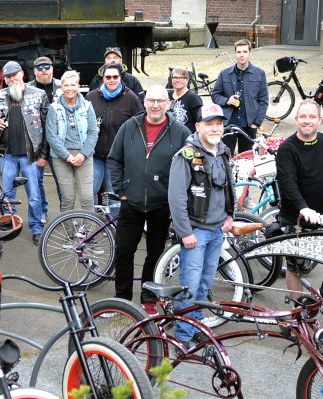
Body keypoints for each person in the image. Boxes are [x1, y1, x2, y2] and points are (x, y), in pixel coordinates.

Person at [107, 84, 190, 310]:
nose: (155, 105)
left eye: (160, 101)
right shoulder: (129, 126)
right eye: (151, 100)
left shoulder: (181, 132)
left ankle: (148, 298)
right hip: (130, 202)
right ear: (144, 102)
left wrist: (176, 199)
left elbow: (190, 167)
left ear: (168, 103)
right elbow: (114, 159)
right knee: (124, 252)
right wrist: (121, 191)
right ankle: (122, 301)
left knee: (154, 254)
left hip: (161, 205)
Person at [275, 99, 323, 314]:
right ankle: (298, 312)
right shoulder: (287, 149)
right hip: (297, 220)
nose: (307, 121)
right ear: (296, 119)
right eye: (303, 117)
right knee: (296, 268)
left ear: (320, 119)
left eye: (311, 117)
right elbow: (287, 183)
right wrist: (303, 207)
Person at [168, 103, 235, 344]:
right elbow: (175, 198)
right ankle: (183, 336)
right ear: (198, 126)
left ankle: (195, 323)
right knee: (190, 284)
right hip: (196, 232)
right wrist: (185, 232)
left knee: (205, 283)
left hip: (217, 230)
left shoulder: (224, 151)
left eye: (219, 124)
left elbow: (228, 186)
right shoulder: (185, 156)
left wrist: (230, 215)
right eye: (209, 124)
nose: (215, 129)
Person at [0, 60, 49, 245]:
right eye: (8, 76)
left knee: (34, 195)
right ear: (4, 78)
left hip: (31, 156)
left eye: (14, 75)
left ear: (22, 74)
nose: (12, 79)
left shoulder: (39, 94)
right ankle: (9, 226)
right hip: (7, 154)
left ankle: (36, 229)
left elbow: (48, 127)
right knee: (7, 194)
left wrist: (43, 155)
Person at [85, 63, 143, 205]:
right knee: (90, 190)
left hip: (117, 156)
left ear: (120, 78)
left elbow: (141, 125)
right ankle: (92, 221)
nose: (112, 80)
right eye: (108, 77)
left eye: (115, 77)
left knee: (114, 193)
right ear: (103, 78)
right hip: (96, 154)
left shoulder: (131, 98)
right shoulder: (91, 97)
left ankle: (115, 225)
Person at [46, 70, 98, 212]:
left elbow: (93, 132)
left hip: (84, 156)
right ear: (61, 87)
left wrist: (82, 154)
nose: (70, 88)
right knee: (68, 199)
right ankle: (68, 233)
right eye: (66, 85)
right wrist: (67, 156)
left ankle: (89, 232)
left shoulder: (87, 106)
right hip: (61, 157)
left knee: (87, 198)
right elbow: (51, 135)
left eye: (73, 85)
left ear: (78, 86)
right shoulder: (54, 108)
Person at [210, 39, 268, 154]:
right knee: (225, 156)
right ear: (235, 53)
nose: (242, 55)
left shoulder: (259, 73)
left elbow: (263, 100)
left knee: (246, 158)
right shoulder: (224, 73)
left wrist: (256, 123)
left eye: (245, 52)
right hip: (228, 123)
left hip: (249, 124)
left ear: (250, 53)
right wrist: (227, 100)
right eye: (239, 52)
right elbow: (215, 95)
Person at [27, 55, 62, 221]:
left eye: (47, 67)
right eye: (39, 68)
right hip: (37, 144)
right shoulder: (27, 90)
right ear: (34, 71)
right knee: (37, 181)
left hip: (59, 143)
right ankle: (42, 212)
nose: (43, 71)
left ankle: (65, 215)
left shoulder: (63, 87)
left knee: (62, 182)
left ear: (52, 69)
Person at [168, 67, 203, 133]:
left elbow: (200, 122)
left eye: (181, 77)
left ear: (187, 80)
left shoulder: (193, 98)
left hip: (187, 138)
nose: (178, 80)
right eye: (175, 77)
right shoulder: (167, 96)